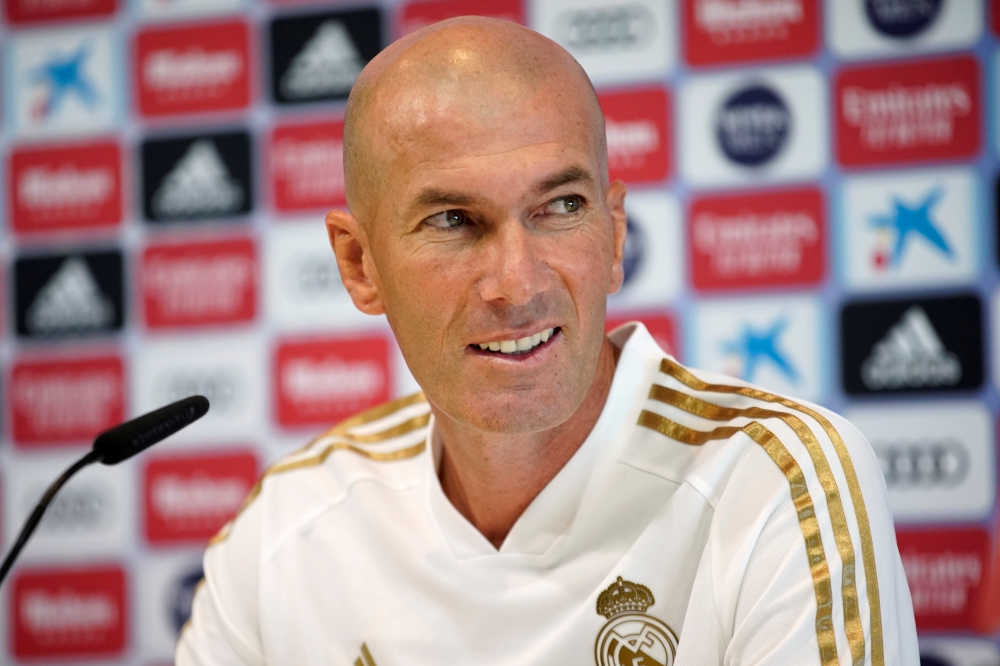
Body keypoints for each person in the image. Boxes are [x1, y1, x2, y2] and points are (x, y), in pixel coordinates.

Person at [177, 17, 917, 666]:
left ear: (615, 231)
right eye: (453, 222)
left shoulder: (774, 482)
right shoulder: (289, 524)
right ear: (359, 264)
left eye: (560, 207)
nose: (517, 282)